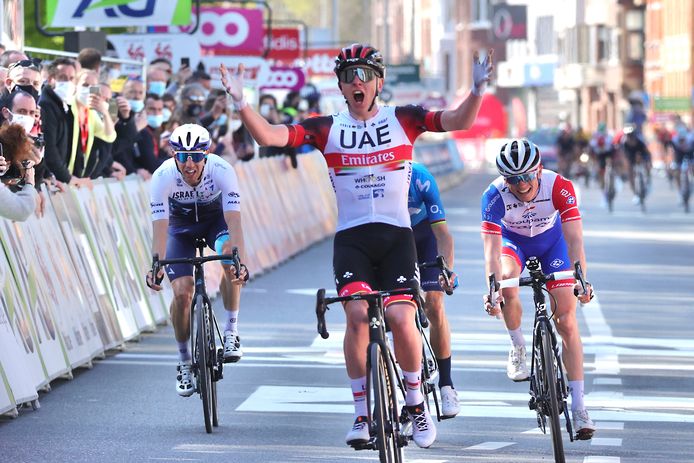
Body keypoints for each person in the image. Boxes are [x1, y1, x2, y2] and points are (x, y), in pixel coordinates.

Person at [219, 43, 493, 449]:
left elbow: (457, 120)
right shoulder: (326, 127)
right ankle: (362, 414)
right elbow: (272, 136)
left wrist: (476, 91)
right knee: (357, 317)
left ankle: (416, 406)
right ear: (342, 88)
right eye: (349, 77)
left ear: (379, 82)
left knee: (402, 319)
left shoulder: (404, 119)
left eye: (364, 74)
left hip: (397, 237)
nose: (357, 82)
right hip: (352, 240)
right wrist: (242, 103)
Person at [481, 138, 596, 440]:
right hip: (513, 245)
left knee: (567, 320)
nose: (521, 184)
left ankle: (580, 407)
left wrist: (581, 279)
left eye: (527, 176)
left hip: (551, 244)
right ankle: (518, 345)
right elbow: (491, 251)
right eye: (513, 179)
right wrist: (492, 289)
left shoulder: (559, 186)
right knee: (507, 284)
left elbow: (574, 240)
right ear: (505, 179)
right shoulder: (493, 196)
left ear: (539, 170)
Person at [145, 123, 248, 397]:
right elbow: (160, 225)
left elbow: (235, 220)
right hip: (179, 229)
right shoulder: (162, 176)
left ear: (207, 153)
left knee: (229, 258)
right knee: (181, 293)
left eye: (196, 156)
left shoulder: (223, 171)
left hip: (215, 223)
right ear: (173, 155)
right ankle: (183, 361)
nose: (189, 164)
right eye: (182, 156)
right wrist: (156, 263)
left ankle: (231, 331)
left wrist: (241, 260)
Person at [407, 162, 460, 418]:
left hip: (425, 233)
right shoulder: (370, 178)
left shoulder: (421, 178)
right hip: (393, 238)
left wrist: (446, 271)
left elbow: (443, 236)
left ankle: (446, 384)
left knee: (435, 305)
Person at [619, 123, 652, 205]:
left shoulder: (639, 139)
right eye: (628, 135)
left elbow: (647, 152)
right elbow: (623, 154)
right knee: (630, 173)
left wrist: (648, 162)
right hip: (631, 156)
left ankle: (648, 180)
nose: (629, 136)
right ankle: (635, 193)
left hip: (642, 153)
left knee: (647, 165)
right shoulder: (624, 141)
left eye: (631, 134)